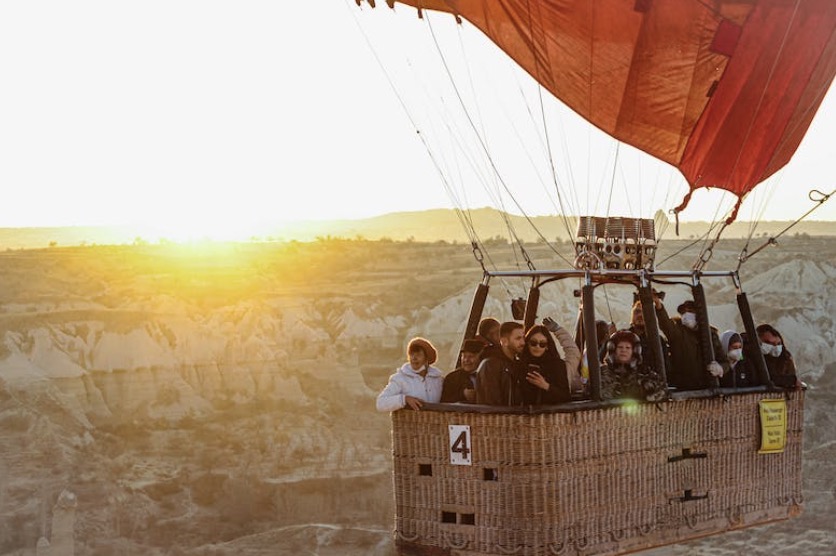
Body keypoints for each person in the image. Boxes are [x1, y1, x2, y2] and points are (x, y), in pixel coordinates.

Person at [654, 296, 728, 390]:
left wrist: (720, 368)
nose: (686, 314)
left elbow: (725, 362)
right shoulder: (678, 333)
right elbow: (665, 323)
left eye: (690, 311)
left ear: (698, 314)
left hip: (709, 389)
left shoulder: (711, 335)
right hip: (686, 389)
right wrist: (659, 306)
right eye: (683, 312)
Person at [376, 337, 444, 412]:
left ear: (427, 359)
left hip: (433, 422)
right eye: (411, 354)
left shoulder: (438, 379)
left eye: (418, 354)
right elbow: (380, 403)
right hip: (409, 423)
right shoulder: (400, 379)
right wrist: (404, 399)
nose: (414, 358)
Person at [599, 330, 667, 402]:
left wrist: (647, 389)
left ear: (634, 351)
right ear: (613, 350)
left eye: (628, 347)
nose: (623, 350)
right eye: (620, 347)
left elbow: (663, 392)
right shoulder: (602, 373)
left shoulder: (644, 373)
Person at [475, 321, 527, 406]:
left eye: (523, 338)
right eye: (518, 338)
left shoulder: (518, 365)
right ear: (504, 341)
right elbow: (492, 403)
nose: (523, 343)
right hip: (499, 418)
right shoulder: (490, 366)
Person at [520, 324, 572, 404]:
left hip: (549, 413)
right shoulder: (519, 363)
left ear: (547, 346)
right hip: (522, 413)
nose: (537, 347)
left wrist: (546, 386)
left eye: (542, 344)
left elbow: (565, 396)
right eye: (533, 343)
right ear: (528, 343)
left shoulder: (557, 365)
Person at [757, 324, 800, 388]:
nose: (775, 347)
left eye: (778, 344)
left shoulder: (785, 357)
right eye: (768, 343)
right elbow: (761, 379)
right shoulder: (752, 358)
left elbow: (791, 374)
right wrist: (791, 380)